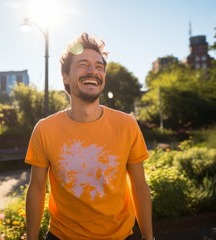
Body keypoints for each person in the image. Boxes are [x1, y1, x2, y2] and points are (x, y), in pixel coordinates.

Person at [25, 32, 153, 240]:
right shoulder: (45, 129)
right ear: (65, 76)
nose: (93, 71)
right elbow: (37, 188)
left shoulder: (127, 124)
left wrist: (149, 237)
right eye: (83, 64)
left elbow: (139, 186)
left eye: (99, 67)